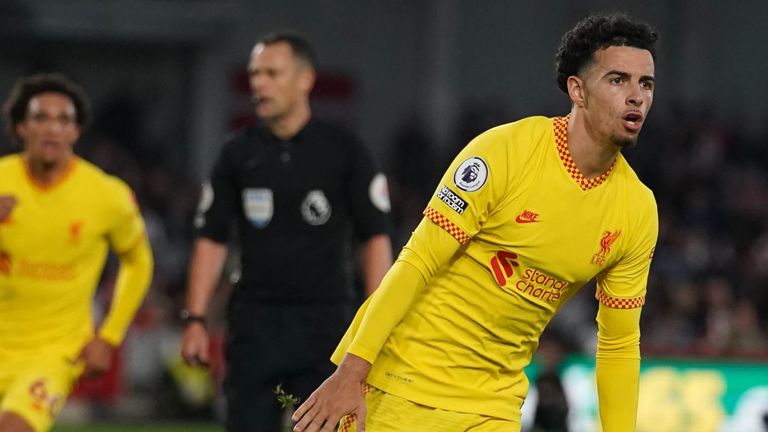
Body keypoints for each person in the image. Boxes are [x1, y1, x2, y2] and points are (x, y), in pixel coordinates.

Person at [293, 12, 659, 432]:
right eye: (618, 80)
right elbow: (417, 261)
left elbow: (618, 345)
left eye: (645, 84)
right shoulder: (504, 152)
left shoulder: (637, 210)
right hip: (403, 384)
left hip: (494, 404)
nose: (636, 96)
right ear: (577, 90)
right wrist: (352, 372)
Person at [179, 31, 393, 432]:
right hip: (254, 324)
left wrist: (376, 324)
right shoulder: (236, 153)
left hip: (327, 323)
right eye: (254, 74)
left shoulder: (345, 151)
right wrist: (195, 320)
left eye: (272, 73)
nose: (259, 83)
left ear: (305, 80)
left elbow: (375, 238)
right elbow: (211, 238)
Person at [0, 73, 154, 432]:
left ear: (76, 132)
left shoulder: (106, 195)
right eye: (41, 118)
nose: (52, 128)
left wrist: (109, 336)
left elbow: (139, 260)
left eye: (63, 119)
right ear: (22, 127)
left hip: (53, 352)